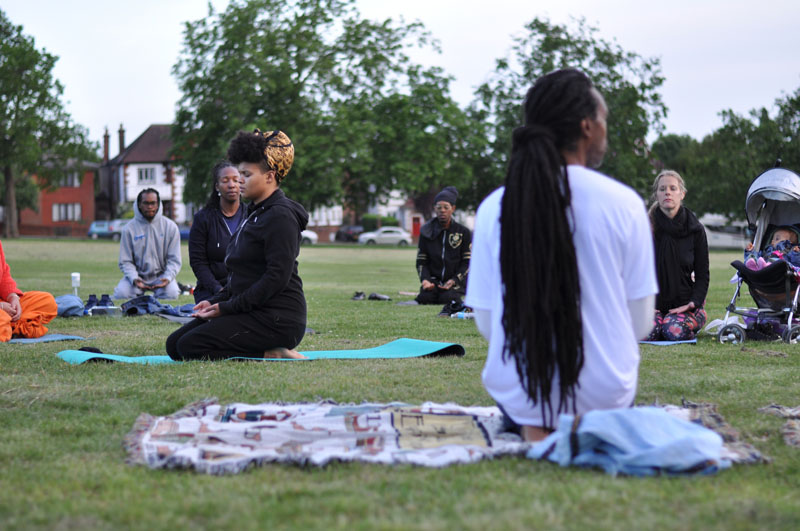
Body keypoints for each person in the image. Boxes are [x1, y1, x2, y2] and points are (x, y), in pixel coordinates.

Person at [466, 68, 657, 442]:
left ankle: (538, 425)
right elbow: (641, 324)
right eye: (605, 119)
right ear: (587, 127)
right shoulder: (625, 205)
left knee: (531, 405)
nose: (606, 128)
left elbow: (487, 324)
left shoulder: (494, 208)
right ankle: (575, 426)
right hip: (606, 396)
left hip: (520, 394)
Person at [166, 129, 308, 360]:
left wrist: (226, 308)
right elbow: (242, 277)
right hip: (252, 310)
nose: (239, 180)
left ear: (270, 176)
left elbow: (275, 279)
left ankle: (271, 353)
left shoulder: (280, 217)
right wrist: (213, 302)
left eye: (246, 174)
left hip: (278, 319)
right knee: (174, 345)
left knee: (190, 346)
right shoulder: (255, 213)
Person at [647, 170, 709, 341]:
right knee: (647, 332)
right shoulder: (645, 228)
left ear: (682, 194)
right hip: (652, 304)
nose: (667, 192)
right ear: (656, 195)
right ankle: (659, 322)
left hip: (684, 304)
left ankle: (690, 317)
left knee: (674, 331)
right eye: (662, 189)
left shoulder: (695, 230)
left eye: (673, 188)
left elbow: (703, 275)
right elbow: (634, 271)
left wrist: (693, 303)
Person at [189, 161, 246, 302]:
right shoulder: (203, 218)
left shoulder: (253, 216)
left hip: (246, 289)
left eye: (236, 180)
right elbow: (198, 262)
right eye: (225, 181)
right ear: (217, 187)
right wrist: (218, 290)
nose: (231, 185)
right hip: (212, 291)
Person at [113, 188, 182, 300]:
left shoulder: (170, 227)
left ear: (158, 204)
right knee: (122, 294)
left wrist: (167, 278)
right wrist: (134, 278)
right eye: (146, 203)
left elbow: (174, 260)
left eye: (153, 203)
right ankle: (137, 289)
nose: (150, 207)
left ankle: (163, 289)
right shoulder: (128, 229)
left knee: (172, 293)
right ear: (139, 204)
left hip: (161, 277)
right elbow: (125, 261)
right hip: (137, 277)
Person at [414, 186, 472, 314]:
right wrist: (425, 280)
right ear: (435, 209)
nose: (442, 211)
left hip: (455, 282)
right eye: (439, 207)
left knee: (448, 298)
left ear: (453, 208)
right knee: (425, 298)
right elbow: (421, 261)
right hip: (434, 281)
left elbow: (467, 262)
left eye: (446, 207)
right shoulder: (426, 231)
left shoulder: (463, 232)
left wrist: (454, 280)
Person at [0, 240, 57, 341]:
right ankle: (10, 326)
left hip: (4, 305)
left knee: (47, 301)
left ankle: (11, 326)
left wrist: (12, 297)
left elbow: (4, 274)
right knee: (2, 318)